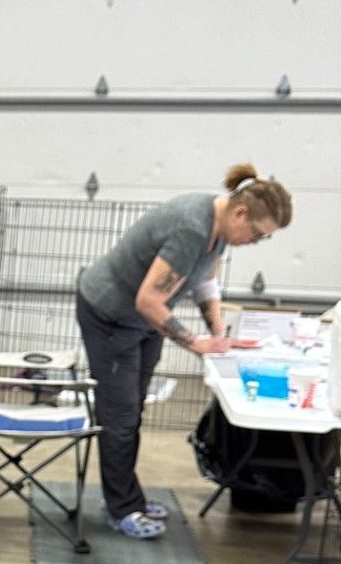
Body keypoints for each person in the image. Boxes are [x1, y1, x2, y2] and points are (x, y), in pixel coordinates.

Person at [75, 164, 293, 538]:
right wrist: (196, 344)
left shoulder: (220, 228)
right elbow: (148, 300)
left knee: (133, 410)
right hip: (111, 316)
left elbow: (206, 283)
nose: (254, 242)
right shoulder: (190, 229)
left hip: (144, 321)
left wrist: (220, 334)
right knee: (120, 417)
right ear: (241, 212)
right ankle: (122, 508)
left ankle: (129, 498)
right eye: (257, 234)